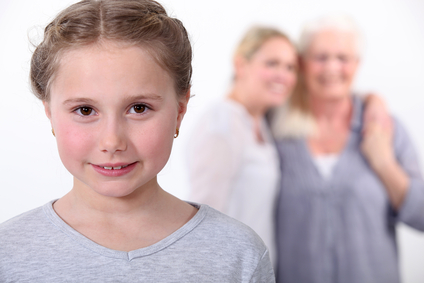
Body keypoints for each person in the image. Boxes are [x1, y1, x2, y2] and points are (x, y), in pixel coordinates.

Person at [0, 1, 275, 282]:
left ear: (180, 111)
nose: (112, 141)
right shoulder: (7, 255)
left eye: (139, 108)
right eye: (85, 110)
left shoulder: (239, 255)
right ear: (49, 113)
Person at [273, 14, 424, 283]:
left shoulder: (386, 128)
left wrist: (385, 164)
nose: (332, 68)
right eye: (321, 57)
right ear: (302, 63)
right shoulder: (275, 128)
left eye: (343, 58)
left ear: (356, 64)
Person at [186, 26, 298, 266]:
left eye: (290, 67)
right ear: (241, 65)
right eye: (272, 64)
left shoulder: (259, 120)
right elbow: (204, 219)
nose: (283, 75)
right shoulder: (222, 124)